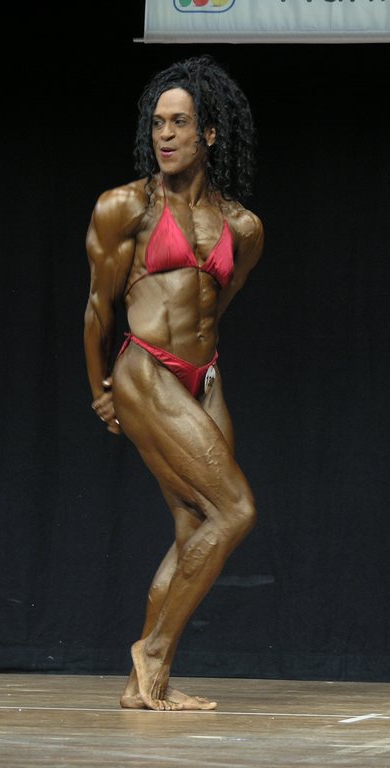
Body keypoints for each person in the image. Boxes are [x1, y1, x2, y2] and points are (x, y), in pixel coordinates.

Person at [83, 55, 265, 711]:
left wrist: (200, 362)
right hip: (144, 368)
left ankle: (144, 685)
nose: (165, 134)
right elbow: (98, 308)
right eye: (158, 123)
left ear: (208, 133)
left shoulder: (242, 226)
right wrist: (101, 389)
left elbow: (219, 302)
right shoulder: (126, 206)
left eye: (180, 122)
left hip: (202, 377)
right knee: (235, 510)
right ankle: (153, 651)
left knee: (196, 527)